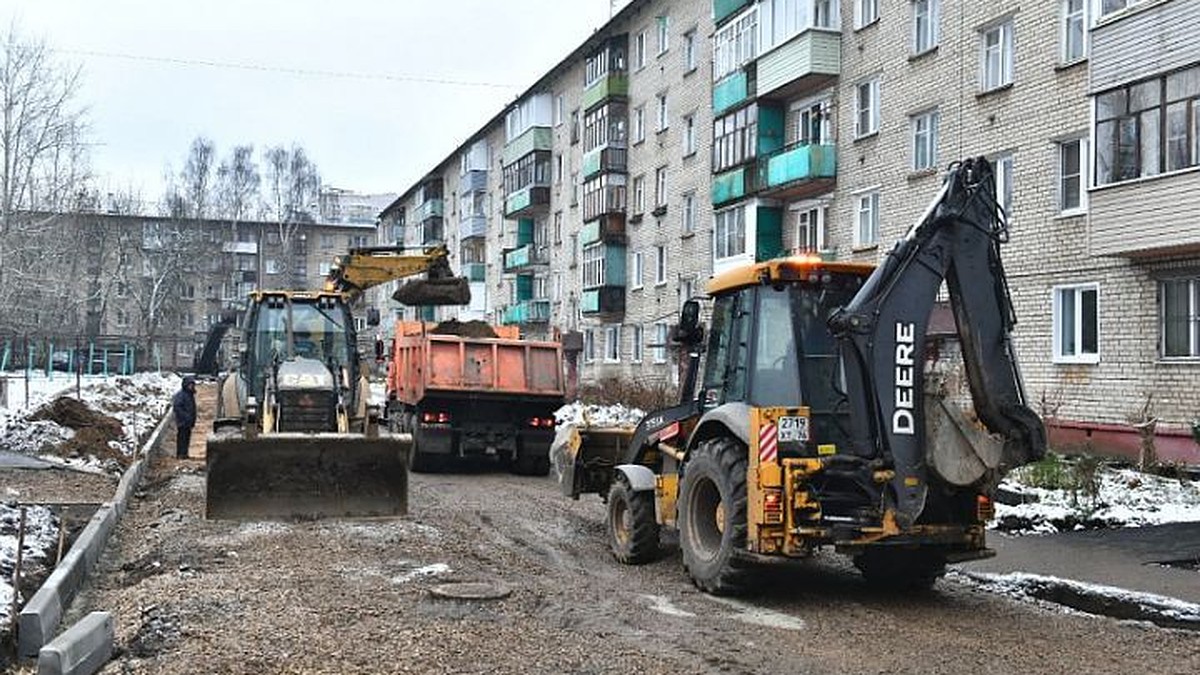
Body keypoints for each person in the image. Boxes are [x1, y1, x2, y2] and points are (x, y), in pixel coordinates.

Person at [172, 376, 197, 459]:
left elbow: (192, 408)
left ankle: (185, 453)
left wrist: (192, 419)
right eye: (190, 384)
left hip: (188, 422)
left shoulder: (190, 395)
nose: (191, 386)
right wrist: (185, 416)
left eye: (192, 385)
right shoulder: (181, 395)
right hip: (182, 422)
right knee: (182, 438)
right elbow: (177, 407)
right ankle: (180, 454)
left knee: (186, 438)